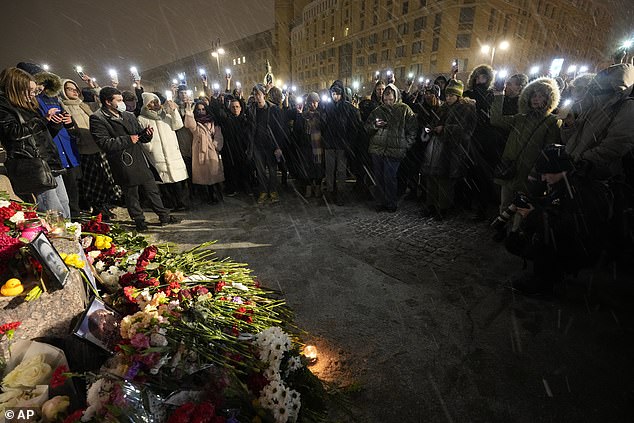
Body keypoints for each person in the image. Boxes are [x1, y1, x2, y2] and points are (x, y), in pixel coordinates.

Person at [504, 145, 612, 296]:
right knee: (520, 240)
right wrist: (532, 202)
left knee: (546, 238)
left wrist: (533, 215)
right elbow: (555, 206)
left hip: (583, 249)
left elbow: (567, 226)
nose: (542, 178)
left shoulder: (577, 191)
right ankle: (549, 273)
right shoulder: (566, 181)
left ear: (560, 170)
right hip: (577, 242)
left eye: (546, 173)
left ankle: (543, 284)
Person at [89, 86, 179, 232]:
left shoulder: (128, 115)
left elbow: (139, 136)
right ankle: (139, 219)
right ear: (107, 101)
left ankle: (164, 215)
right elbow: (103, 142)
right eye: (118, 100)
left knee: (152, 189)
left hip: (138, 157)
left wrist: (147, 134)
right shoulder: (98, 118)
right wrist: (128, 140)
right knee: (131, 194)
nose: (122, 102)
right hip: (122, 160)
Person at [490, 77, 562, 226]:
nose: (536, 99)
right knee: (505, 205)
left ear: (549, 99)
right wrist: (499, 96)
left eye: (541, 96)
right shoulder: (520, 118)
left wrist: (536, 171)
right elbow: (495, 120)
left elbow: (548, 150)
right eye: (534, 95)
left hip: (529, 174)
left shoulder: (552, 121)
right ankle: (503, 230)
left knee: (521, 208)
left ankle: (514, 235)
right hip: (510, 170)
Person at [0, 67, 70, 217]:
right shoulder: (4, 106)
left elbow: (41, 135)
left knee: (64, 205)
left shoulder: (28, 105)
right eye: (30, 90)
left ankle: (70, 238)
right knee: (54, 213)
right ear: (17, 88)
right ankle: (59, 241)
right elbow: (13, 133)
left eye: (34, 91)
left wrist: (53, 123)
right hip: (33, 166)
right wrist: (41, 120)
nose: (33, 95)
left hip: (50, 162)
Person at [60, 77, 122, 219]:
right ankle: (98, 209)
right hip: (83, 150)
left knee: (106, 178)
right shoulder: (63, 106)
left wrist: (93, 86)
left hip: (99, 147)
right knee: (92, 182)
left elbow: (104, 103)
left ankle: (106, 205)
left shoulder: (84, 105)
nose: (74, 91)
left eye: (76, 89)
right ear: (63, 91)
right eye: (70, 89)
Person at [420, 79, 476, 220]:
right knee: (432, 177)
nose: (448, 98)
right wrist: (431, 128)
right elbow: (435, 122)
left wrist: (445, 129)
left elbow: (464, 130)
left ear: (458, 96)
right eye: (447, 95)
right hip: (436, 148)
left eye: (452, 95)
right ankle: (431, 205)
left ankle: (442, 208)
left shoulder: (466, 108)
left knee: (444, 180)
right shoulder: (444, 107)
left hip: (451, 150)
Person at [32, 69, 83, 220]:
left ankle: (75, 215)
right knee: (60, 193)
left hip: (67, 148)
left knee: (72, 188)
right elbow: (39, 130)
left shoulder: (56, 100)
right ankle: (71, 218)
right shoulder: (34, 102)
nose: (41, 88)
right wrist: (48, 120)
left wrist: (69, 123)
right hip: (52, 150)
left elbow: (68, 122)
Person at [365, 83, 418, 212]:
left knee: (390, 177)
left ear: (395, 97)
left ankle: (391, 203)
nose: (388, 102)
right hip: (378, 149)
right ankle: (381, 202)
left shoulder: (404, 110)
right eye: (386, 99)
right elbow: (367, 127)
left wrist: (405, 144)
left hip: (395, 151)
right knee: (379, 177)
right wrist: (375, 126)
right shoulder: (377, 111)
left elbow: (413, 129)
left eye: (390, 99)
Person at [137, 92, 190, 211]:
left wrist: (174, 111)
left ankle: (183, 203)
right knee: (164, 181)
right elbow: (142, 138)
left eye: (156, 101)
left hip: (173, 152)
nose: (155, 104)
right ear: (146, 104)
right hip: (158, 154)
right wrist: (149, 147)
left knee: (178, 180)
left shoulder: (165, 115)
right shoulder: (142, 119)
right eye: (152, 102)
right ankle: (170, 203)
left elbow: (177, 126)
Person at [321, 80, 363, 205]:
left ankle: (341, 193)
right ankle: (330, 192)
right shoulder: (327, 107)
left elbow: (353, 127)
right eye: (333, 93)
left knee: (341, 171)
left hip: (342, 145)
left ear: (342, 94)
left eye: (337, 93)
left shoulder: (348, 108)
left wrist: (349, 143)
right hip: (329, 144)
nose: (335, 96)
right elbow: (323, 126)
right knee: (329, 170)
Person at [463, 64, 497, 221]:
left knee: (482, 175)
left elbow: (488, 113)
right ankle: (466, 201)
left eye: (482, 76)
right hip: (468, 137)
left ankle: (482, 208)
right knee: (468, 172)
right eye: (477, 76)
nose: (479, 79)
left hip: (483, 139)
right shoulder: (468, 93)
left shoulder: (490, 95)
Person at [246, 84, 287, 205]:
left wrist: (279, 147)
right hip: (257, 146)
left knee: (273, 170)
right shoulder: (251, 110)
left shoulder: (273, 109)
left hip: (271, 146)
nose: (256, 97)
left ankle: (273, 191)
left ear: (264, 95)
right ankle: (263, 191)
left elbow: (279, 129)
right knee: (260, 171)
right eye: (254, 95)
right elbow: (249, 128)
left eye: (259, 94)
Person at [183, 101, 225, 203]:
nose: (201, 111)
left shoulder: (212, 121)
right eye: (199, 109)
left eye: (203, 109)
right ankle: (207, 196)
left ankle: (216, 195)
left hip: (212, 150)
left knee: (214, 173)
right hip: (200, 151)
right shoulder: (196, 123)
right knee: (203, 175)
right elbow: (189, 124)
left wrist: (216, 145)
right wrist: (189, 112)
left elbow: (218, 134)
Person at [290, 92, 325, 199]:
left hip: (318, 145)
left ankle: (318, 187)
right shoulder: (303, 114)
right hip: (306, 145)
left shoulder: (321, 114)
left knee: (318, 167)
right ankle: (309, 187)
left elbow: (324, 128)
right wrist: (299, 114)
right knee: (308, 167)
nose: (313, 104)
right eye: (311, 102)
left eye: (315, 102)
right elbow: (298, 130)